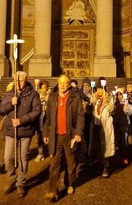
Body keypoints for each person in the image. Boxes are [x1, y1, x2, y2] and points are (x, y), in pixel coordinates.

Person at [0, 71, 41, 198]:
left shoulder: (33, 94)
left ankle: (21, 182)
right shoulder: (9, 94)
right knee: (7, 158)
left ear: (26, 80)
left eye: (21, 80)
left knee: (23, 157)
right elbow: (0, 110)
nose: (19, 83)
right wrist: (11, 103)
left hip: (25, 130)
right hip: (11, 130)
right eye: (17, 80)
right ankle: (12, 177)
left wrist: (21, 120)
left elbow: (36, 111)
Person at [43, 74, 85, 202]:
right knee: (54, 164)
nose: (62, 85)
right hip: (56, 136)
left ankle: (70, 183)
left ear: (69, 84)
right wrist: (46, 133)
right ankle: (52, 190)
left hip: (70, 136)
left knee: (70, 163)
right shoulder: (52, 97)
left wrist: (78, 132)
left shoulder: (75, 97)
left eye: (65, 83)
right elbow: (48, 117)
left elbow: (80, 116)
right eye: (60, 82)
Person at [88, 77, 115, 178]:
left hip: (105, 124)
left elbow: (112, 110)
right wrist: (93, 100)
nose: (99, 91)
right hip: (96, 123)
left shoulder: (109, 97)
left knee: (105, 146)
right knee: (97, 145)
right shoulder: (94, 96)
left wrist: (106, 101)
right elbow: (89, 108)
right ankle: (99, 164)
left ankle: (105, 166)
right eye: (98, 89)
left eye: (101, 89)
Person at [113, 87, 132, 165]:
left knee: (124, 142)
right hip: (116, 124)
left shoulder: (126, 102)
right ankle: (121, 156)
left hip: (124, 124)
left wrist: (127, 109)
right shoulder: (114, 103)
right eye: (117, 94)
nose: (119, 96)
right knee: (119, 142)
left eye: (120, 94)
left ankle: (125, 157)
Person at [35, 80, 50, 162]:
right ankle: (40, 153)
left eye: (45, 88)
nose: (43, 89)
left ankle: (51, 151)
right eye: (42, 88)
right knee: (40, 137)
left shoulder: (50, 97)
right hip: (39, 119)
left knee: (49, 136)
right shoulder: (36, 97)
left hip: (47, 119)